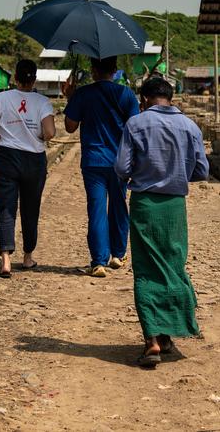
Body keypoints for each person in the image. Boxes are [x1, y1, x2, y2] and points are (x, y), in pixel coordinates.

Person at [114, 76, 209, 367]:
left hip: (145, 204)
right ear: (171, 98)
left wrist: (141, 174)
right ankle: (169, 333)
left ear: (144, 99)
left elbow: (121, 167)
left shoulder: (136, 124)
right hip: (174, 208)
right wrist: (178, 173)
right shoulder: (189, 126)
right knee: (172, 265)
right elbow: (202, 170)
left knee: (146, 269)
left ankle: (153, 340)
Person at [62, 56, 140, 277]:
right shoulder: (126, 94)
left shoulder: (83, 94)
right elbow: (135, 127)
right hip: (120, 161)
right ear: (115, 70)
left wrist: (70, 97)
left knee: (96, 209)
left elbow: (69, 127)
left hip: (93, 161)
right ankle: (118, 253)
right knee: (119, 206)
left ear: (93, 70)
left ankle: (98, 262)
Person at [0, 59, 56, 278]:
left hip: (6, 159)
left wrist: (0, 132)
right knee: (31, 209)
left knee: (6, 209)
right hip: (34, 161)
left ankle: (5, 261)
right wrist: (38, 135)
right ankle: (28, 257)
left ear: (15, 78)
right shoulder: (42, 102)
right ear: (35, 79)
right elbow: (50, 132)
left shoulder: (2, 98)